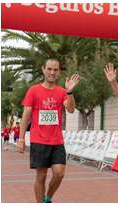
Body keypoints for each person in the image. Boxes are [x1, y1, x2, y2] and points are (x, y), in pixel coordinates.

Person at [17, 59, 79, 203]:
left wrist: (69, 92)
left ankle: (48, 197)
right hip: (38, 140)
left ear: (59, 72)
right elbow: (26, 115)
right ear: (43, 69)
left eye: (55, 70)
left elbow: (70, 109)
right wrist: (21, 138)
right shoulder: (33, 90)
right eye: (49, 69)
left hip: (57, 141)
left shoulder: (62, 91)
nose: (52, 72)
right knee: (41, 176)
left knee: (59, 173)